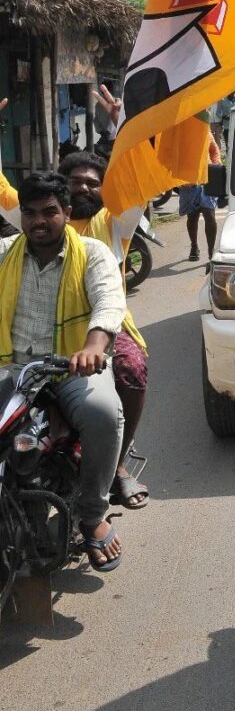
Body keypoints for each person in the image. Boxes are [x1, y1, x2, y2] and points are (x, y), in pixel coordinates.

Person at [0, 93, 150, 510]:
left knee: (129, 369)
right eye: (78, 180)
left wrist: (126, 128)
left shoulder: (111, 222)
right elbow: (3, 191)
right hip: (16, 359)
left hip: (95, 337)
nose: (86, 187)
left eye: (92, 182)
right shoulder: (18, 240)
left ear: (64, 210)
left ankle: (111, 473)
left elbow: (135, 184)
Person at [0, 172, 126, 570]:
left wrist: (92, 347)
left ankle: (92, 514)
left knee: (104, 413)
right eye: (31, 212)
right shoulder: (3, 253)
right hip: (12, 368)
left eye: (49, 212)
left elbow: (109, 302)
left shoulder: (92, 253)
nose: (39, 221)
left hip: (70, 369)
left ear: (67, 212)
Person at [179, 129, 222, 261]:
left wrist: (216, 165)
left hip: (206, 180)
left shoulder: (205, 130)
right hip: (188, 183)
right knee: (192, 217)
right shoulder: (181, 132)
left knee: (210, 216)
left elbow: (214, 150)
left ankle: (210, 252)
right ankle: (194, 246)